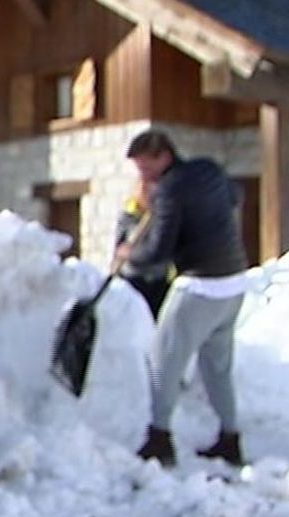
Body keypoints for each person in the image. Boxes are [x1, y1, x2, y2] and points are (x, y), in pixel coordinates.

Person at [115, 129, 249, 468]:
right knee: (216, 365)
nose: (143, 177)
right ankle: (230, 440)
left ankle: (159, 439)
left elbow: (159, 250)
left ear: (163, 156)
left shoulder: (169, 190)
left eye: (145, 168)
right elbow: (236, 195)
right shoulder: (209, 169)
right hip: (234, 280)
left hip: (201, 285)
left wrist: (131, 252)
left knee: (164, 361)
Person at [114, 178, 171, 319]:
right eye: (143, 189)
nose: (147, 193)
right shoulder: (128, 216)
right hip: (134, 278)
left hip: (158, 279)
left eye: (151, 188)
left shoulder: (161, 216)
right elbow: (120, 247)